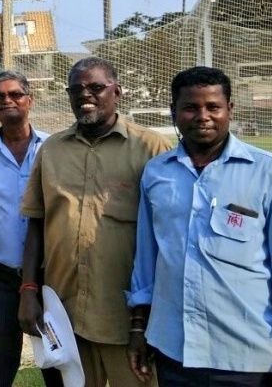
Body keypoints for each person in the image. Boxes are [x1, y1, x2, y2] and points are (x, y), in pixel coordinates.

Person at [127, 66, 272, 387]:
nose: (202, 116)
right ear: (174, 112)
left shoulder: (271, 173)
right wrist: (139, 329)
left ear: (230, 110)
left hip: (247, 354)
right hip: (174, 350)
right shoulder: (156, 174)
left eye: (213, 107)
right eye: (190, 107)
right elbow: (147, 262)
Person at [18, 56, 171, 387]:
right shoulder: (52, 150)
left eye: (96, 87)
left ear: (117, 92)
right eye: (76, 89)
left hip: (126, 317)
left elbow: (170, 235)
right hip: (64, 317)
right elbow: (35, 224)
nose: (85, 95)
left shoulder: (151, 147)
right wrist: (28, 289)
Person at [0, 70, 60, 387]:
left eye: (15, 94)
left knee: (59, 369)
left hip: (51, 279)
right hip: (0, 279)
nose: (7, 100)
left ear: (29, 100)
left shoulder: (54, 148)